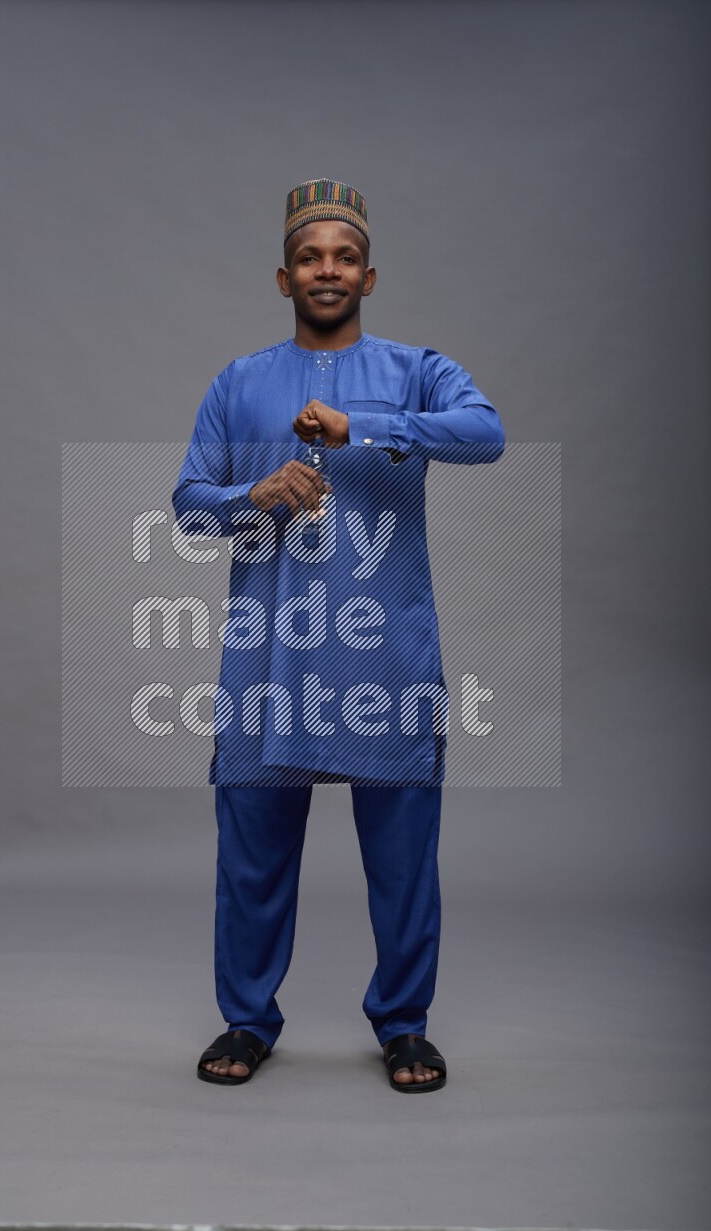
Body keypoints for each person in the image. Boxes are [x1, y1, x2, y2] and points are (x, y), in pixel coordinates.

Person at [171, 179, 505, 1091]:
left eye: (345, 257)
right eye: (310, 257)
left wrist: (366, 427)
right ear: (284, 278)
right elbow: (189, 507)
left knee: (402, 861)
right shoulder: (239, 382)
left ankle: (404, 1024)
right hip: (269, 659)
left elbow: (486, 434)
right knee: (251, 858)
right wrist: (252, 495)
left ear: (369, 276)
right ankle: (247, 1019)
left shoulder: (415, 370)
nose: (328, 270)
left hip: (384, 658)